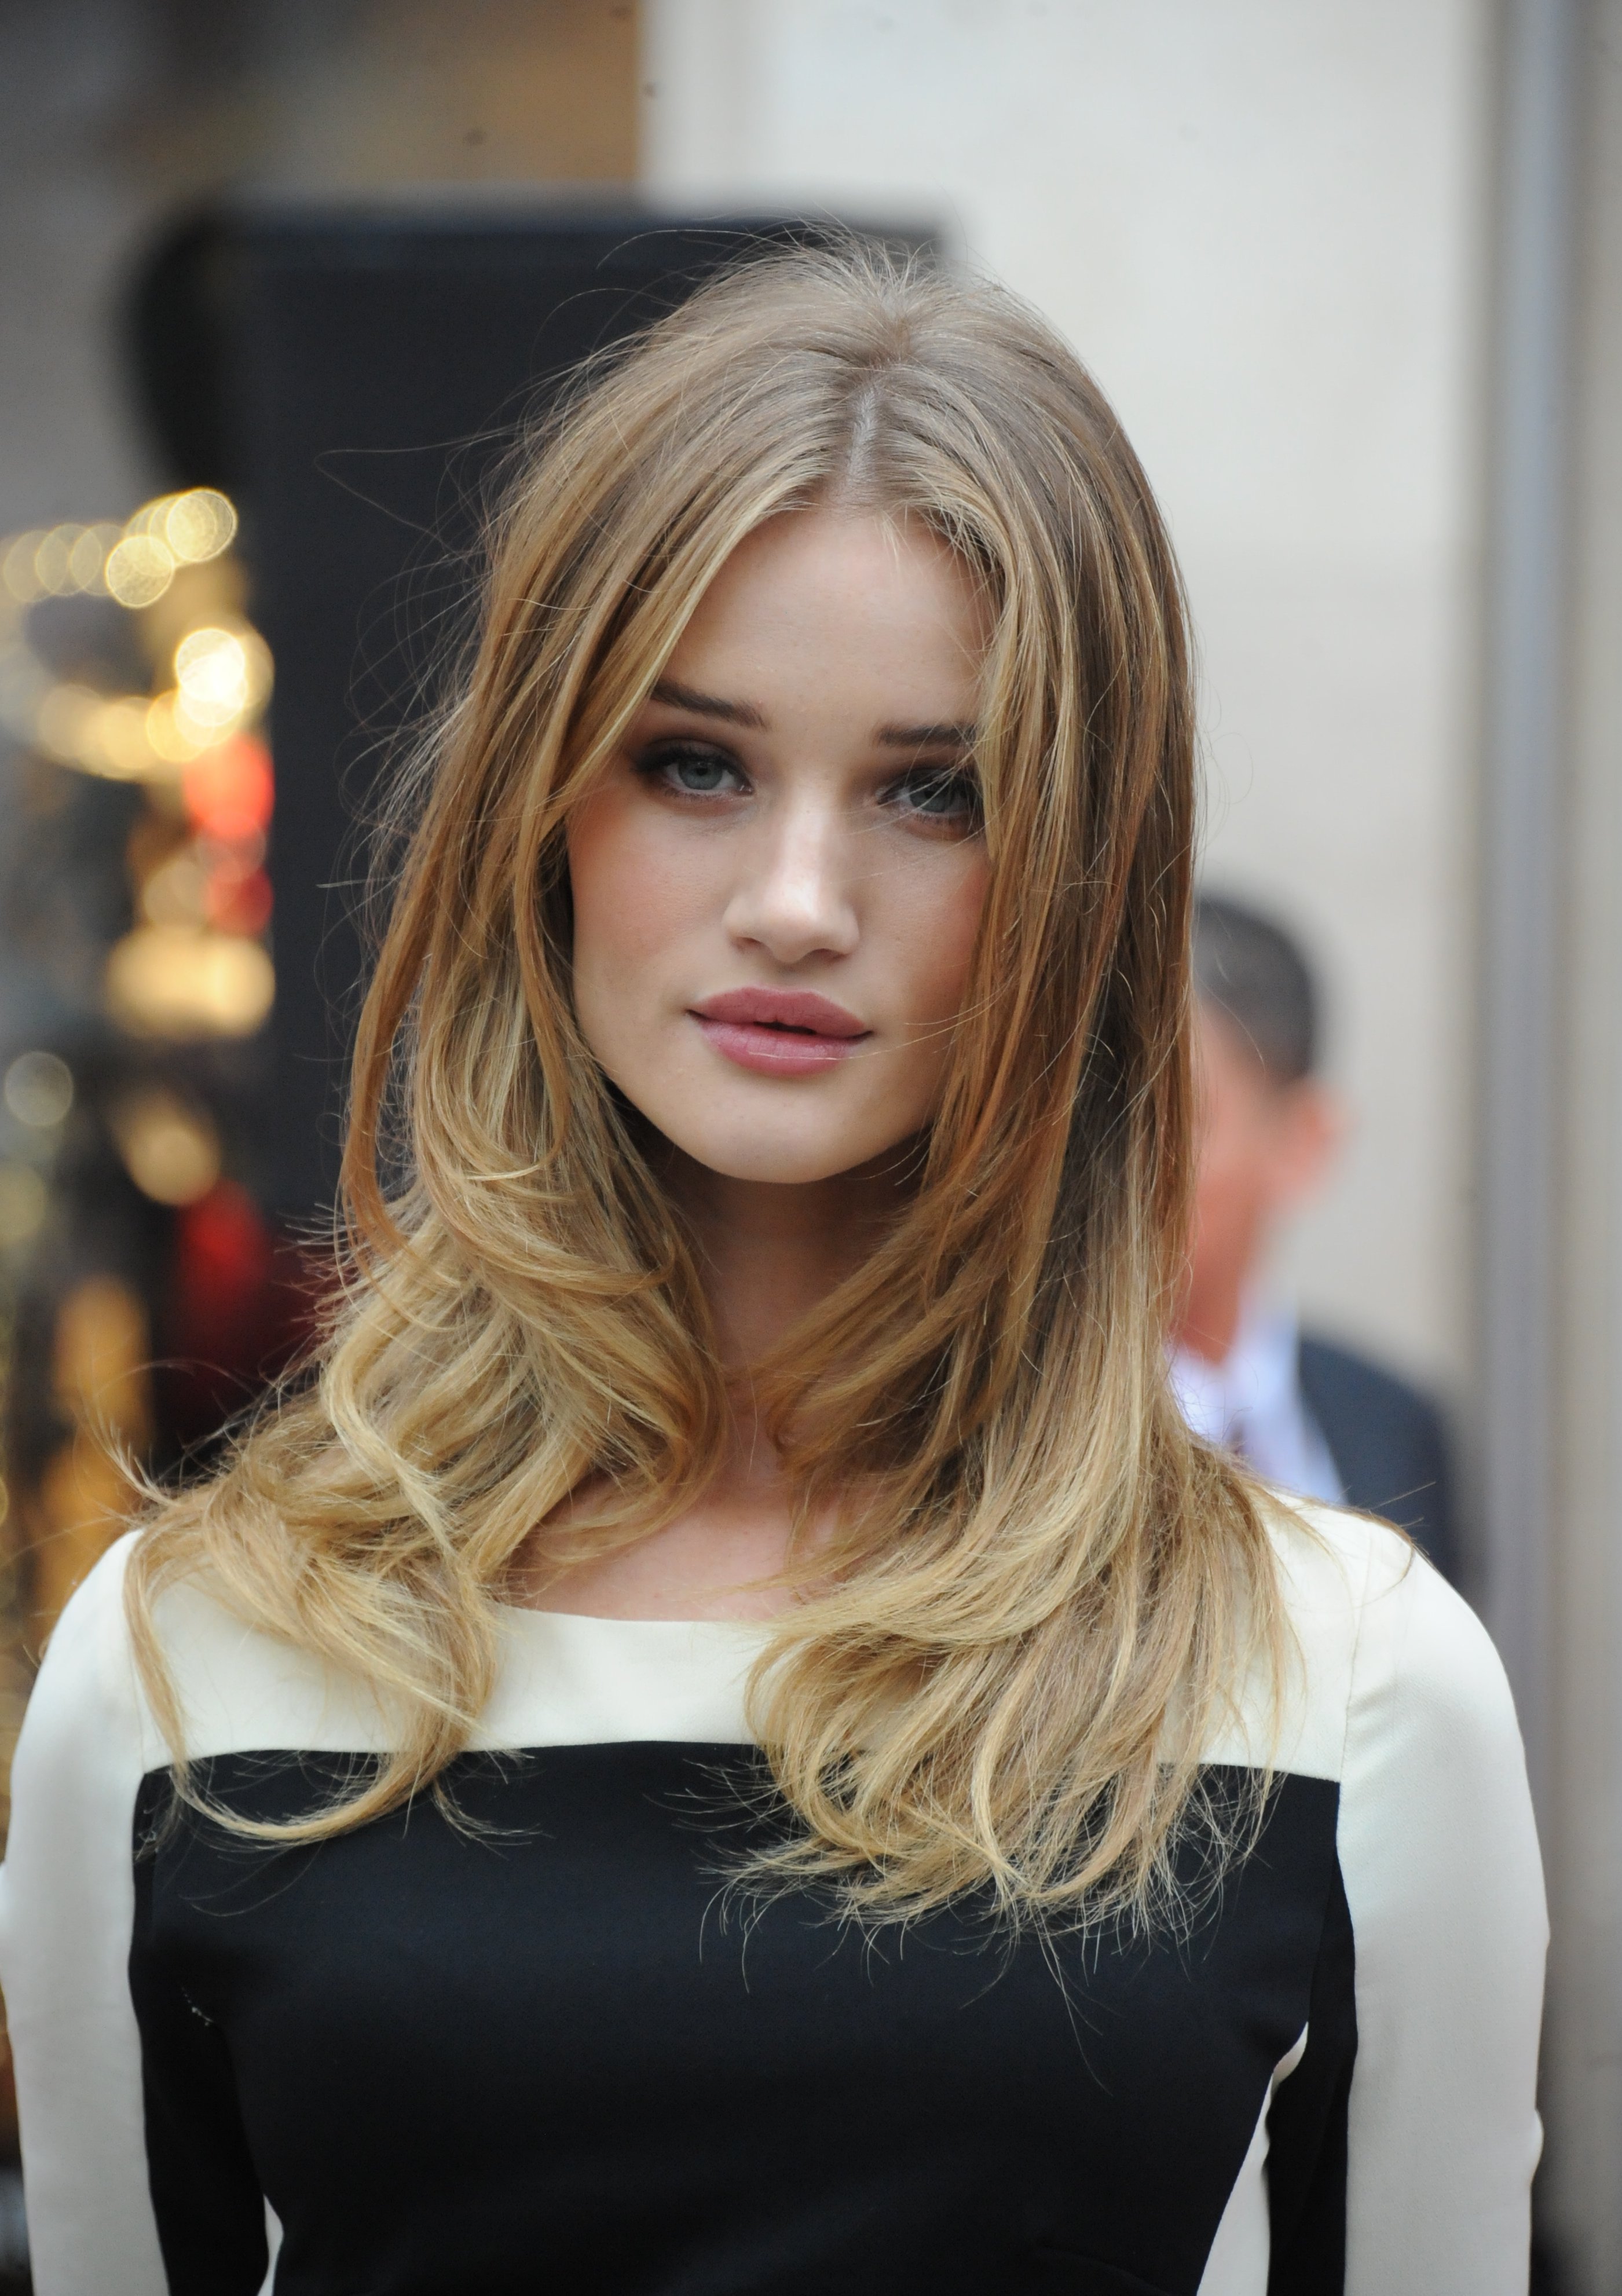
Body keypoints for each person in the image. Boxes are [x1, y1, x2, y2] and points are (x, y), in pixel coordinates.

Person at [0, 244, 1543, 2296]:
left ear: (1083, 873)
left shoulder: (1345, 1683)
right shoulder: (184, 1660)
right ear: (542, 810)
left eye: (935, 789)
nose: (800, 900)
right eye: (697, 762)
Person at [1173, 894, 1460, 1583]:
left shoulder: (1392, 1425)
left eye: (1175, 1121)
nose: (1119, 1171)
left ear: (1300, 1143)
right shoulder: (1004, 1425)